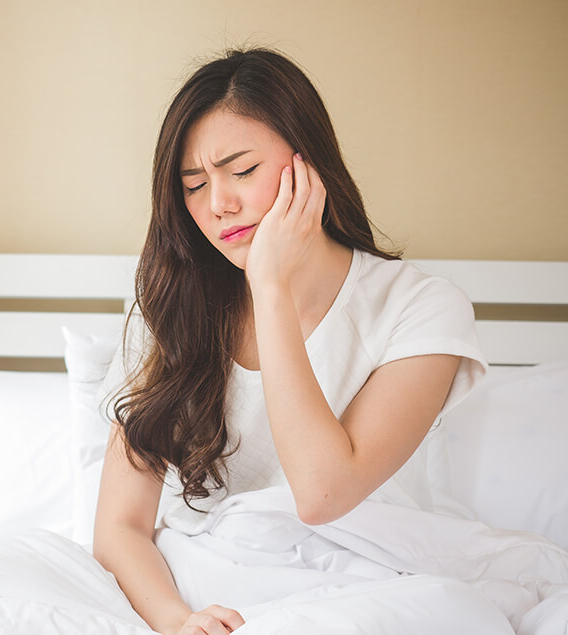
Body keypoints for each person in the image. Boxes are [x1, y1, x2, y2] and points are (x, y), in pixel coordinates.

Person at [92, 47, 488, 634]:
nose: (218, 204)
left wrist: (269, 288)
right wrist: (180, 622)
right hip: (211, 585)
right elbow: (120, 526)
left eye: (242, 171)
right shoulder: (174, 309)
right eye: (195, 185)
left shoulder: (420, 309)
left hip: (369, 585)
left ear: (309, 163)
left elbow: (323, 496)